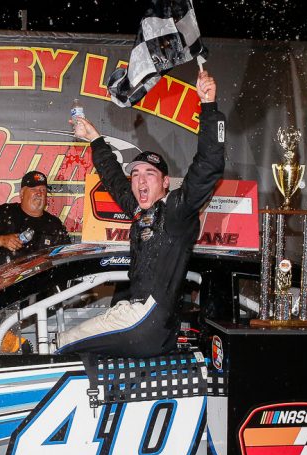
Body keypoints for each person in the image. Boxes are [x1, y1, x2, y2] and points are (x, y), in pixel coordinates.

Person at [58, 68, 224, 357]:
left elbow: (209, 164)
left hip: (148, 319)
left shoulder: (176, 210)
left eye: (150, 174)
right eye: (135, 174)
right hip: (149, 325)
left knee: (62, 344)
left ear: (165, 182)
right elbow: (113, 178)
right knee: (77, 349)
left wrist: (209, 106)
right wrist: (95, 138)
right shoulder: (139, 210)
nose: (140, 180)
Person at [0, 170, 70, 271]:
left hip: (40, 280)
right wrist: (2, 240)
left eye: (43, 190)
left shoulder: (54, 224)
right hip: (2, 280)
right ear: (22, 193)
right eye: (34, 189)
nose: (39, 193)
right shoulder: (4, 213)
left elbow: (67, 258)